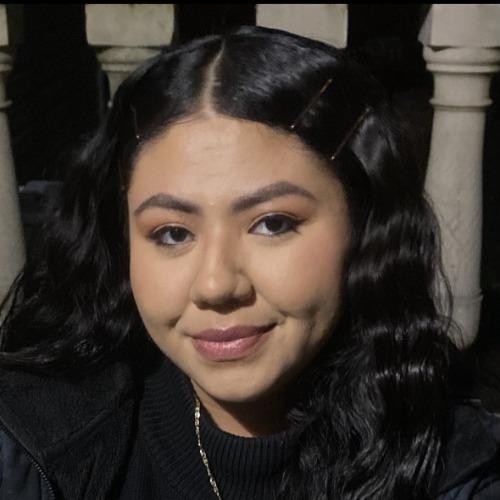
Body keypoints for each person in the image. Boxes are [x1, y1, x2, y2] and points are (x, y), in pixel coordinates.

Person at [0, 25, 498, 500]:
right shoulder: (32, 447)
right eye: (172, 233)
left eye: (272, 224)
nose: (216, 284)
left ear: (364, 227)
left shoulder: (452, 468)